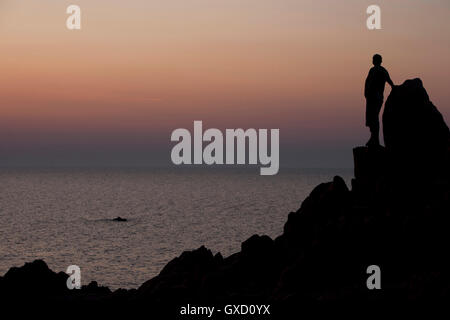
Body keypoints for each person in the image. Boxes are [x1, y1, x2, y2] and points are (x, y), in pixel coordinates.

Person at [364, 54, 395, 146]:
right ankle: (373, 138)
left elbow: (389, 81)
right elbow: (389, 81)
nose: (372, 61)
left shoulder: (378, 70)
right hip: (372, 97)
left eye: (374, 59)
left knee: (373, 117)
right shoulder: (376, 70)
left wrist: (394, 87)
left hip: (375, 97)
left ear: (377, 61)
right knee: (372, 118)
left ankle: (375, 139)